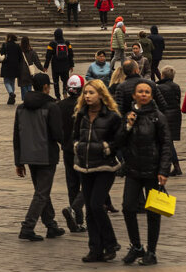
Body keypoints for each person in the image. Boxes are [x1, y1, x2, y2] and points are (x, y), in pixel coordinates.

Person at [115, 79, 172, 266]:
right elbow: (119, 142)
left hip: (153, 172)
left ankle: (152, 252)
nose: (144, 94)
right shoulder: (129, 116)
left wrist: (164, 170)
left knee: (153, 212)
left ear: (152, 95)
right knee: (128, 207)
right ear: (134, 95)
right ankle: (137, 246)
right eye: (140, 91)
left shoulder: (158, 117)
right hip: (133, 170)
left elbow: (166, 145)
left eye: (147, 92)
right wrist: (128, 125)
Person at [73, 79, 122, 262]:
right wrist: (77, 146)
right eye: (85, 93)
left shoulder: (111, 116)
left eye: (91, 93)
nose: (87, 96)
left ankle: (111, 243)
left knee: (96, 205)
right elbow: (74, 136)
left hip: (104, 166)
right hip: (85, 166)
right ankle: (95, 248)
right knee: (90, 211)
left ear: (101, 95)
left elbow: (119, 141)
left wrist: (107, 148)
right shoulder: (81, 114)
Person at [14, 73, 66, 242]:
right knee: (42, 193)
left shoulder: (21, 108)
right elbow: (58, 133)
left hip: (28, 155)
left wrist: (19, 161)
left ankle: (51, 225)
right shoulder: (51, 106)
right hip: (46, 155)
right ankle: (28, 227)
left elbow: (17, 136)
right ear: (45, 87)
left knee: (42, 191)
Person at [57, 75, 86, 233]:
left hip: (67, 149)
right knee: (87, 183)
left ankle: (77, 221)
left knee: (72, 184)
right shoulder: (84, 106)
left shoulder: (60, 105)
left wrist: (63, 143)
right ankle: (74, 209)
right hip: (82, 149)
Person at [156, 66, 183, 176]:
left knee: (166, 142)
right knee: (169, 141)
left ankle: (174, 166)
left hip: (165, 116)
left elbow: (158, 103)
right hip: (176, 115)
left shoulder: (159, 87)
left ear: (162, 75)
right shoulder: (176, 86)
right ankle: (173, 166)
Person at [43, 28, 74, 99]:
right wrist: (71, 65)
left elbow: (48, 56)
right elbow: (71, 55)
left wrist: (46, 66)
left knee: (56, 82)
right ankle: (65, 91)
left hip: (55, 66)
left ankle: (58, 96)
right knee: (65, 80)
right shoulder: (67, 43)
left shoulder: (52, 44)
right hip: (65, 65)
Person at [0, 33, 23, 104]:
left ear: (9, 38)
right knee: (12, 81)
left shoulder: (5, 45)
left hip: (6, 65)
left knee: (6, 81)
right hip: (15, 66)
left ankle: (11, 93)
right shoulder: (17, 46)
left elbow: (1, 55)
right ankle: (11, 99)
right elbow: (20, 57)